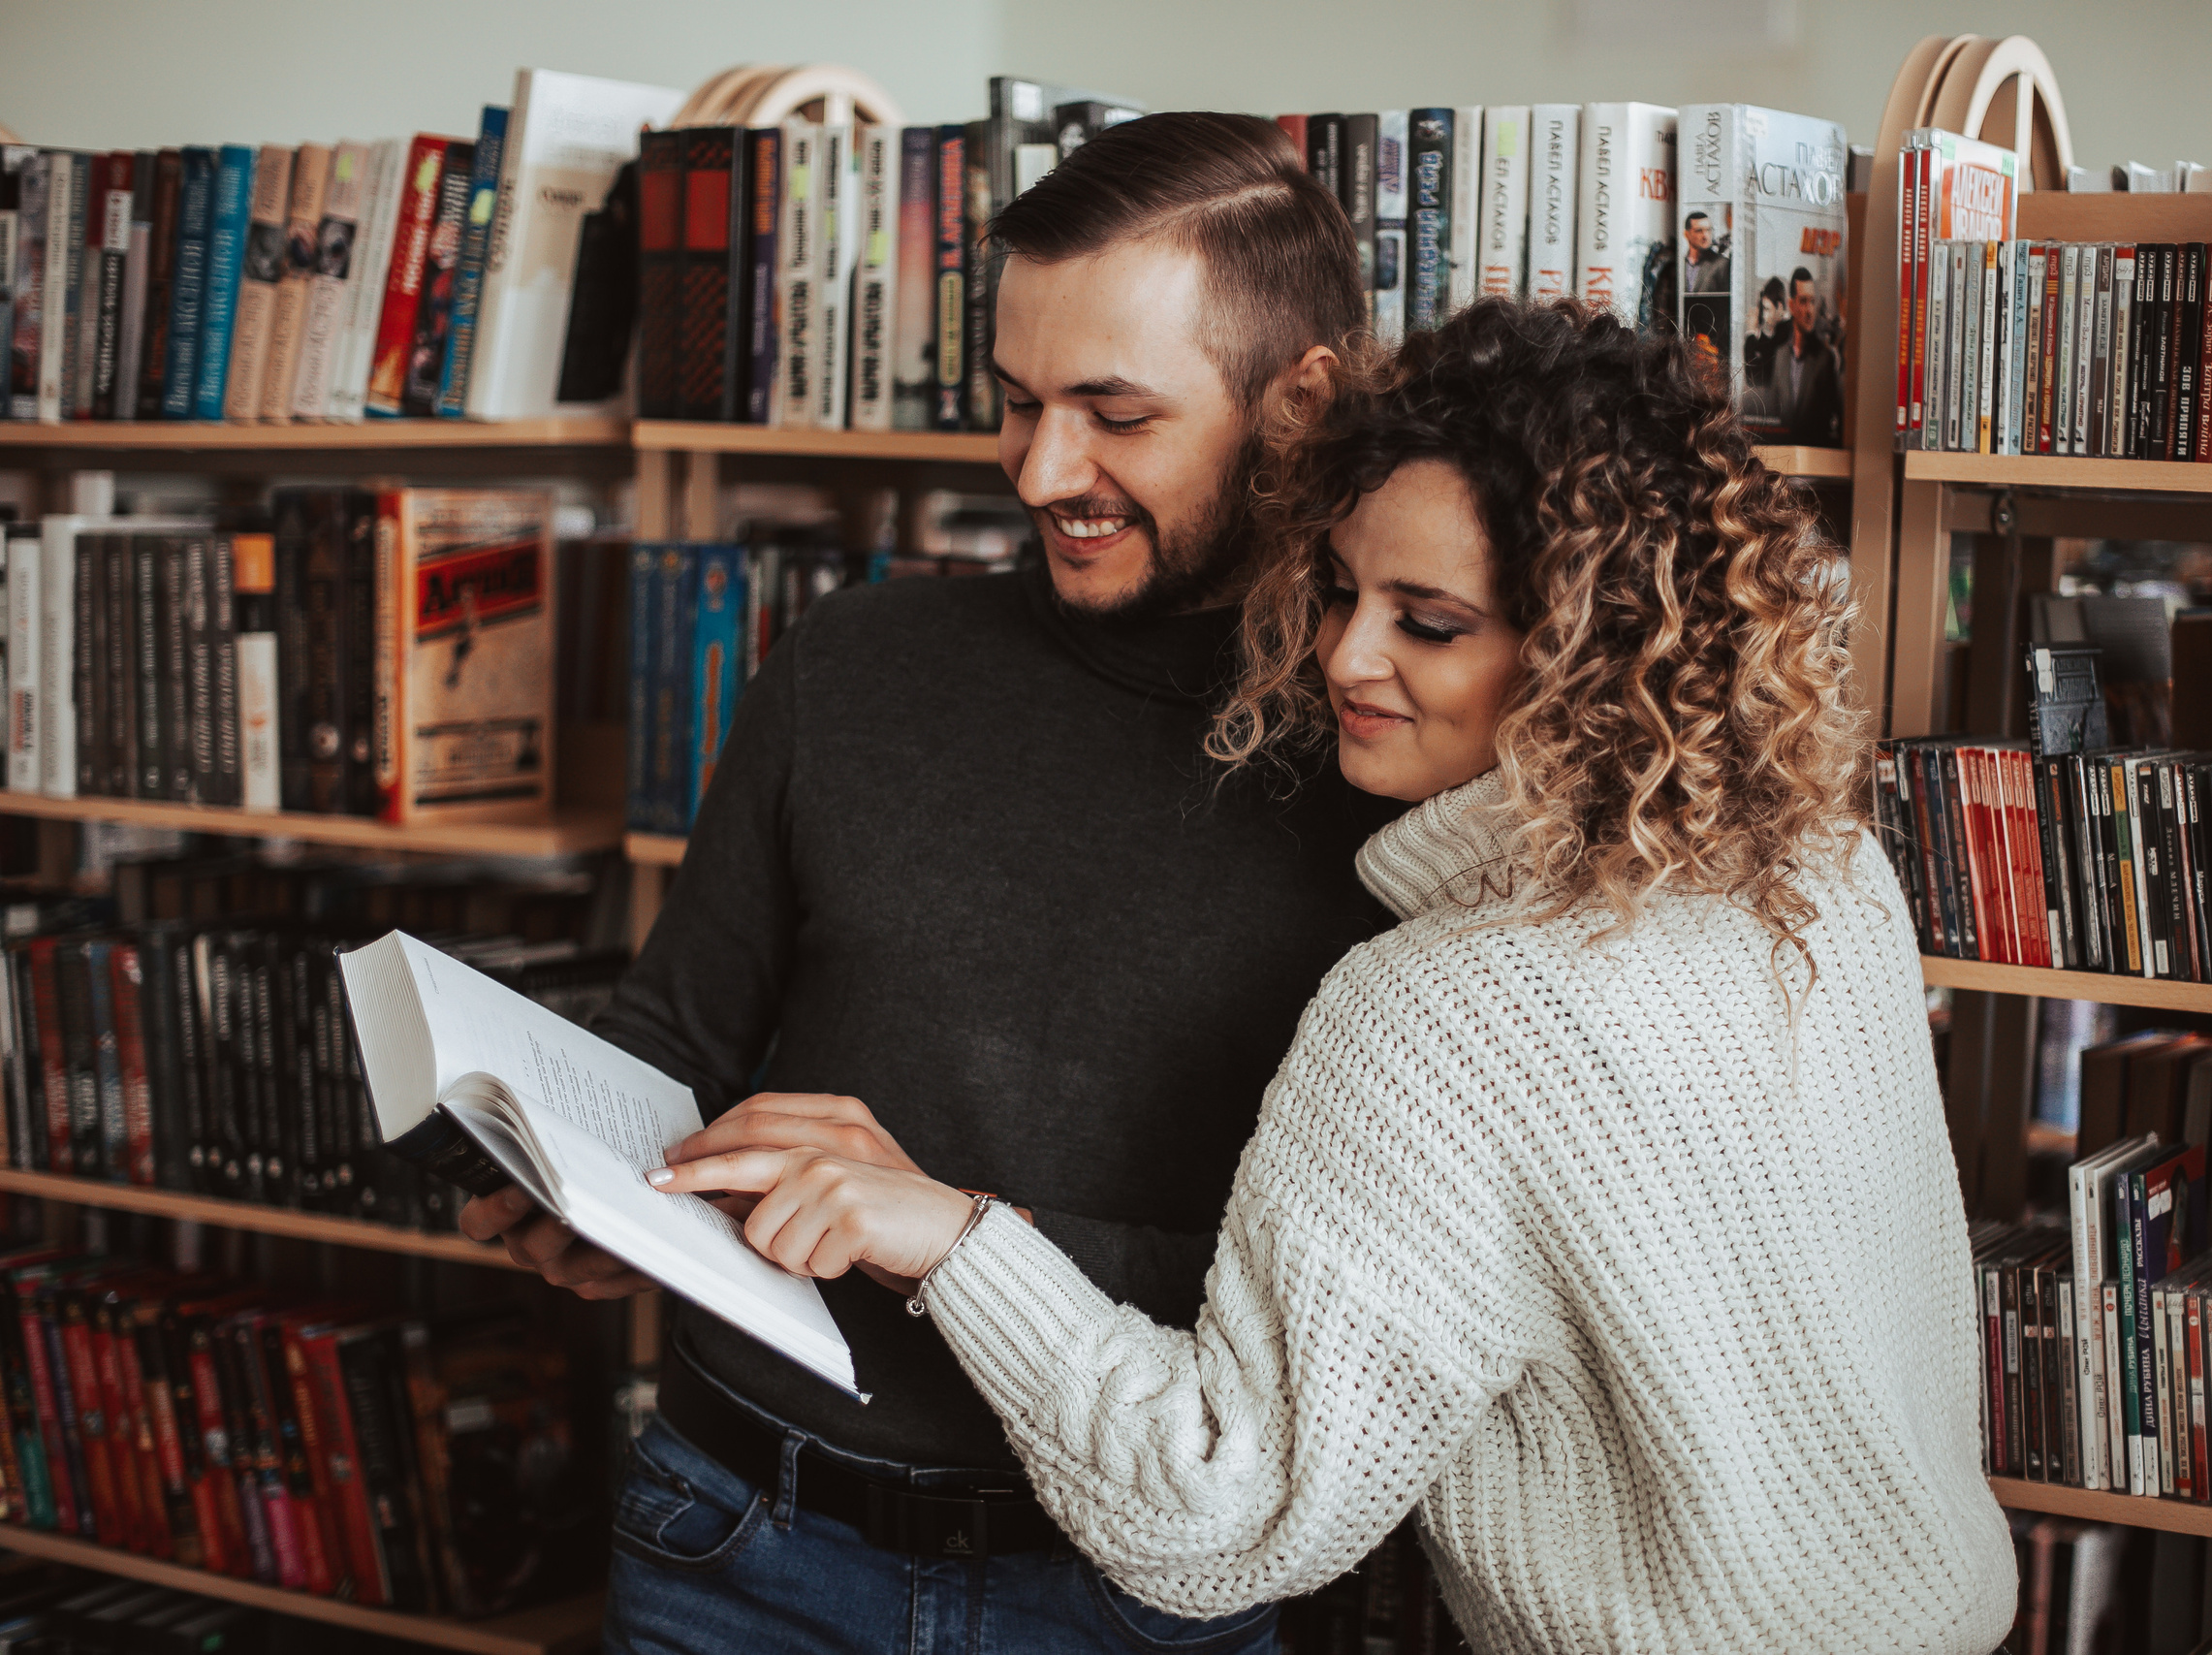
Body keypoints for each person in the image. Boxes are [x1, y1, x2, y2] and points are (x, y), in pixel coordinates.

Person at [652, 298, 2019, 1655]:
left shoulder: (1449, 1005)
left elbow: (1220, 1517)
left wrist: (952, 1240)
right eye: (1342, 592)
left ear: (1588, 650)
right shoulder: (1830, 870)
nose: (1346, 656)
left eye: (1427, 621)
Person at [460, 112, 1396, 1655]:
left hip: (1130, 1589)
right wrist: (585, 1172)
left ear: (1297, 407)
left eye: (1114, 412)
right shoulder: (859, 661)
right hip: (734, 1536)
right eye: (1019, 402)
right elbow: (675, 1031)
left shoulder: (1381, 764)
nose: (1042, 469)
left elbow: (1320, 1310)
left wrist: (958, 1230)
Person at [1754, 265, 1845, 446]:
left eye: (1812, 301)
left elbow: (1836, 418)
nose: (1810, 310)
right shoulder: (1780, 356)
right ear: (1791, 305)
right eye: (1803, 301)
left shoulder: (1825, 358)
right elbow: (1771, 410)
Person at [1681, 207, 1730, 293]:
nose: (1705, 235)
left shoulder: (1722, 264)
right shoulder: (1679, 264)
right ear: (1687, 234)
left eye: (1708, 230)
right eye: (1699, 231)